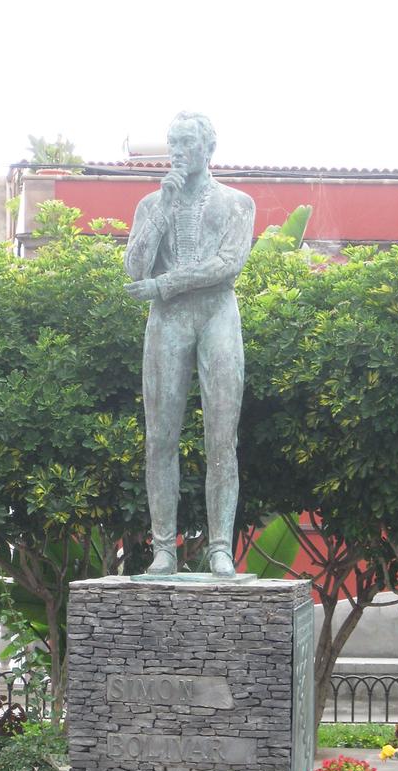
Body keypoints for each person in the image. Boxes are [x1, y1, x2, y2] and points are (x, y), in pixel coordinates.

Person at [124, 112, 255, 577]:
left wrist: (166, 285)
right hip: (168, 323)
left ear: (208, 148)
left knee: (221, 436)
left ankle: (220, 545)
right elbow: (134, 268)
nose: (178, 151)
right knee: (160, 437)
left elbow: (227, 265)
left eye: (187, 142)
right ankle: (164, 548)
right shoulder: (150, 204)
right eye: (172, 143)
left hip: (217, 315)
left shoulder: (237, 203)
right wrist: (161, 210)